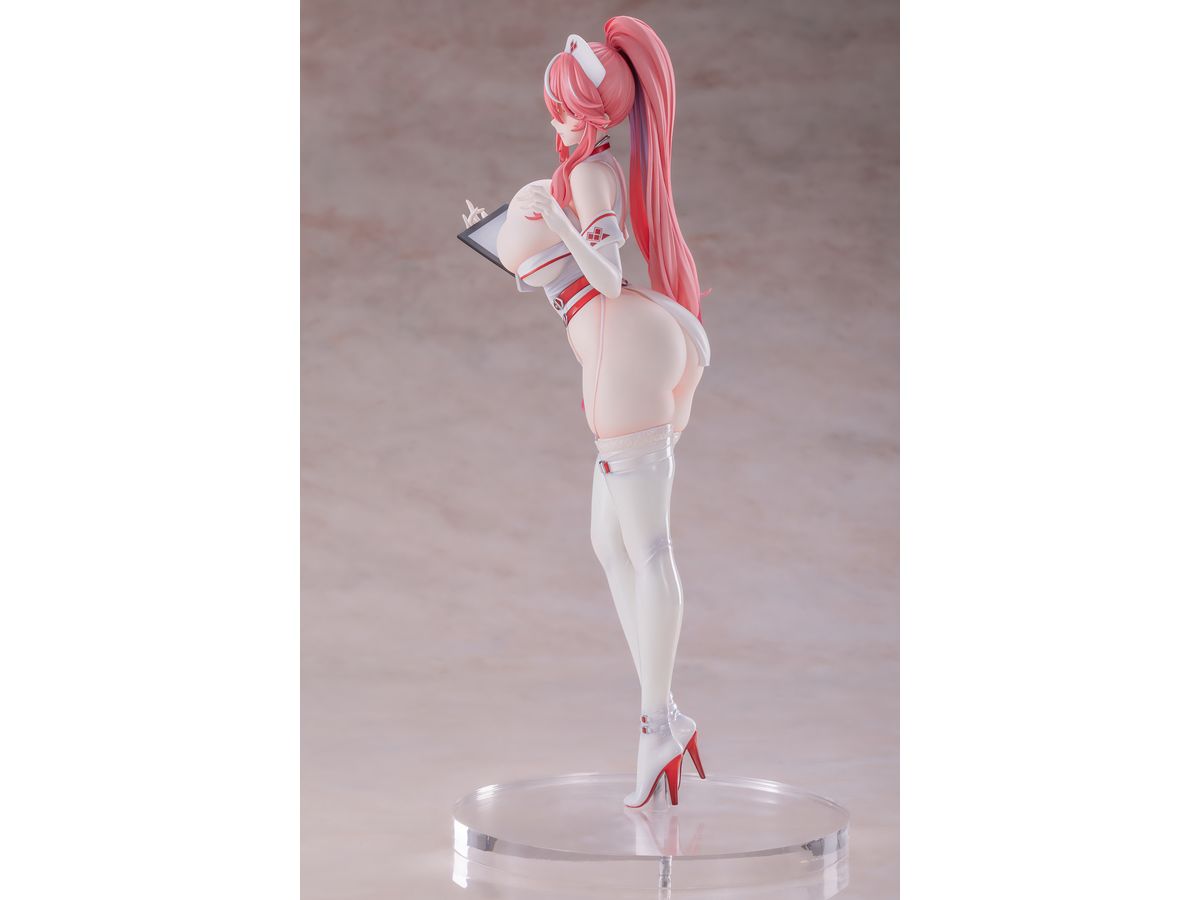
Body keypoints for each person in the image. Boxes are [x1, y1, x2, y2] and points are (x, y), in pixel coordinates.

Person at [495, 16, 710, 809]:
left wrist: (553, 224)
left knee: (647, 547)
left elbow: (611, 275)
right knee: (611, 543)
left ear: (584, 115)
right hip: (626, 347)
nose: (554, 122)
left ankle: (659, 722)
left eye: (562, 111)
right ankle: (662, 713)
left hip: (622, 348)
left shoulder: (588, 176)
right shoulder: (585, 170)